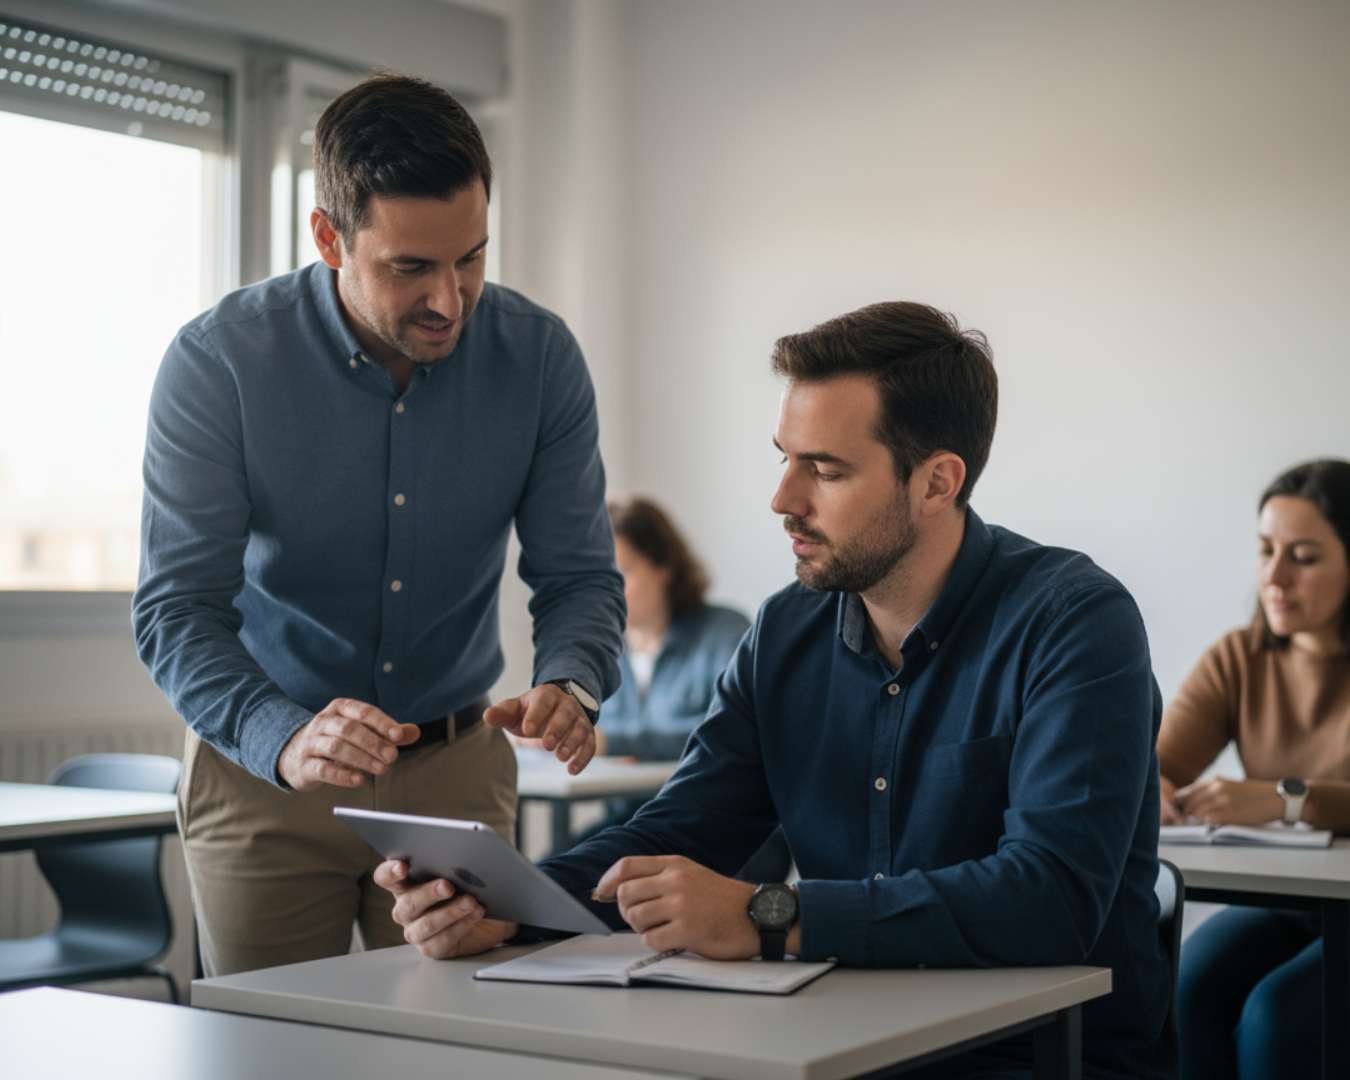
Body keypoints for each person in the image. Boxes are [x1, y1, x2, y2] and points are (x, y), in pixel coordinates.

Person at [377, 301, 1172, 1080]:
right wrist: (513, 904)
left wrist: (769, 915)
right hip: (832, 1038)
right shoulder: (787, 632)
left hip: (1034, 1053)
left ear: (937, 483)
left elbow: (1052, 899)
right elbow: (685, 829)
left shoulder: (1074, 621)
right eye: (785, 457)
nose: (783, 499)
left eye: (824, 470)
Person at [132, 73, 625, 977]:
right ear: (329, 236)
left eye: (471, 257)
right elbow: (176, 610)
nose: (450, 299)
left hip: (457, 775)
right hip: (267, 776)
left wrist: (574, 681)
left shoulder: (540, 357)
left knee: (460, 1053)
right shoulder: (218, 363)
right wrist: (283, 734)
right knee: (273, 1054)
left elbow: (580, 577)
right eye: (411, 267)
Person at [1158, 458, 1350, 1080]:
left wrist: (1285, 799)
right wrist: (1152, 787)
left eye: (1304, 556)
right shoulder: (1241, 656)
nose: (1274, 575)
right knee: (1184, 987)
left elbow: (1282, 800)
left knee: (1277, 1017)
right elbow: (1151, 763)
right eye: (1266, 550)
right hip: (1293, 902)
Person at [568, 496, 749, 837]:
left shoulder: (724, 632)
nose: (610, 590)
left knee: (570, 874)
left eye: (624, 571)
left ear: (664, 564)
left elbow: (732, 733)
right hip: (635, 818)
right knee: (546, 870)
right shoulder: (604, 650)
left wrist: (612, 741)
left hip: (720, 824)